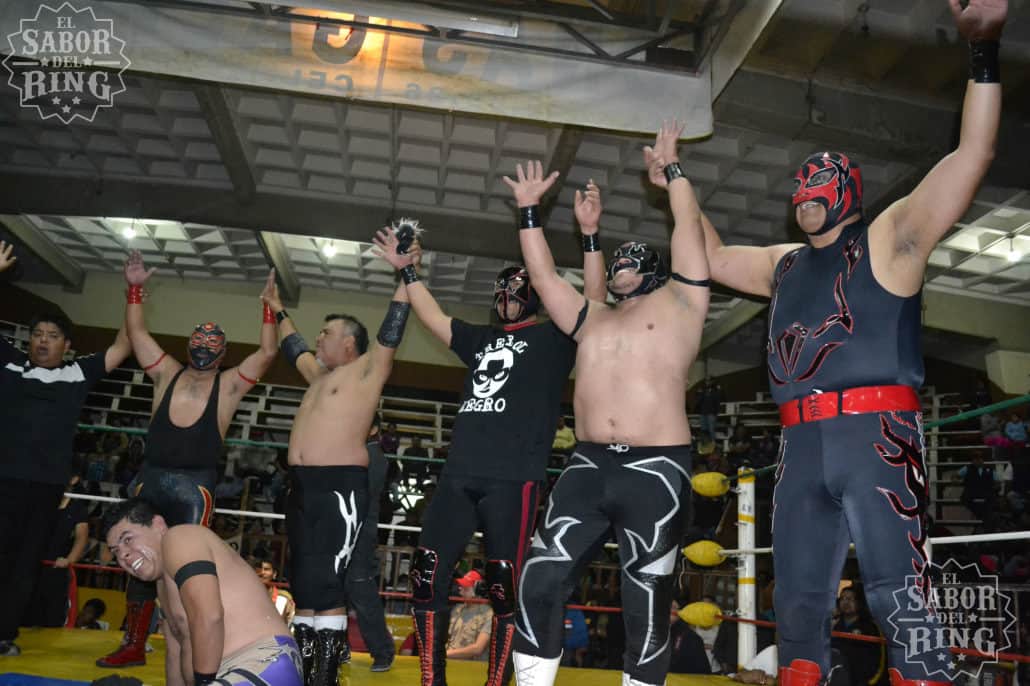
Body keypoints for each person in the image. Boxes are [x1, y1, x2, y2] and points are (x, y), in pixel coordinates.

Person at [698, 4, 1007, 686]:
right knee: (799, 605)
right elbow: (712, 258)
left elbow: (972, 155)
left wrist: (983, 49)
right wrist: (675, 181)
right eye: (799, 188)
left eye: (818, 184)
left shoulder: (891, 237)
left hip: (876, 435)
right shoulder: (782, 263)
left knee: (898, 593)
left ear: (847, 191)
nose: (804, 194)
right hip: (799, 444)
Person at [372, 196, 606, 686]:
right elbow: (434, 318)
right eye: (501, 287)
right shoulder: (481, 339)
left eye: (517, 287)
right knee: (425, 578)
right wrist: (408, 273)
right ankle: (431, 681)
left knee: (505, 589)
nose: (507, 294)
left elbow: (594, 301)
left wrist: (589, 237)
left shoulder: (554, 338)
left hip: (512, 479)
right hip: (458, 476)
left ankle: (496, 683)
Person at [509, 119, 710, 686]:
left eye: (629, 259)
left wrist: (672, 173)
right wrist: (529, 211)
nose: (619, 265)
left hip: (657, 467)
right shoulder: (590, 317)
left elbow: (690, 232)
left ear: (651, 269)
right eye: (613, 260)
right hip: (589, 463)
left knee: (646, 596)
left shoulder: (682, 303)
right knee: (540, 579)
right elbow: (545, 276)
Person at [98, 251, 278, 667]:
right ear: (188, 342)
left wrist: (269, 309)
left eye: (213, 343)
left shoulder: (230, 385)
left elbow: (267, 354)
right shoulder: (165, 372)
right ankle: (134, 642)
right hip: (153, 478)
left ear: (224, 351)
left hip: (194, 488)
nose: (204, 346)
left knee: (186, 570)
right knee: (137, 556)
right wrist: (135, 287)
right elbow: (137, 331)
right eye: (199, 339)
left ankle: (190, 645)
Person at [262, 249, 411, 686]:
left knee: (328, 587)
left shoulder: (368, 370)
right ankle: (307, 673)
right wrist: (277, 309)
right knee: (306, 586)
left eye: (326, 333)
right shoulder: (319, 374)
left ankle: (325, 675)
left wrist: (406, 272)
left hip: (340, 488)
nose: (318, 338)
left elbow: (392, 329)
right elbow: (294, 349)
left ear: (349, 343)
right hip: (303, 487)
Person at [0, 241, 132, 656]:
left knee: (25, 564)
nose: (42, 341)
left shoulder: (78, 373)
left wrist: (133, 292)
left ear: (66, 345)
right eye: (37, 334)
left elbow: (124, 345)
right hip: (3, 478)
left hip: (46, 485)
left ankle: (5, 635)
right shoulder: (9, 364)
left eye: (52, 336)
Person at [103, 498, 302, 686]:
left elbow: (209, 616)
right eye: (115, 551)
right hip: (233, 673)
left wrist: (203, 682)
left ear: (158, 525)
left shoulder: (181, 537)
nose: (124, 555)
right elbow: (175, 653)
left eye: (127, 540)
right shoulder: (163, 585)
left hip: (263, 660)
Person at [342, 415, 396, 672]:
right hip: (349, 529)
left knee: (362, 591)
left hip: (360, 532)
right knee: (341, 590)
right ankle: (339, 648)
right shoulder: (360, 453)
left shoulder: (374, 456)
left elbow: (361, 496)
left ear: (373, 428)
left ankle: (383, 651)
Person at [24, 470, 90, 628]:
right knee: (24, 617)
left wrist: (69, 560)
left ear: (74, 479)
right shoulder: (40, 502)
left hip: (57, 570)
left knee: (52, 620)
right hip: (31, 569)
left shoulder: (77, 507)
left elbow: (82, 537)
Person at [830, 586, 885, 686]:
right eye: (842, 598)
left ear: (859, 603)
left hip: (862, 682)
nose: (845, 602)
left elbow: (881, 659)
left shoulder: (870, 627)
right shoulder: (834, 624)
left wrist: (871, 681)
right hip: (836, 680)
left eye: (850, 599)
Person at [446, 570, 493, 661]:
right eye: (461, 587)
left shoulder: (489, 615)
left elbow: (478, 649)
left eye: (466, 588)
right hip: (451, 664)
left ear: (479, 590)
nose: (461, 591)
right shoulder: (457, 609)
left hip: (472, 669)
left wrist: (445, 654)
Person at [668, 600, 712, 675]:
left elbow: (703, 671)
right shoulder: (655, 630)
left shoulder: (690, 636)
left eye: (674, 607)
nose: (671, 610)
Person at [253, 557, 296, 627]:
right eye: (258, 569)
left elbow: (290, 624)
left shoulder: (283, 598)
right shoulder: (245, 595)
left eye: (266, 569)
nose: (262, 572)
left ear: (274, 574)